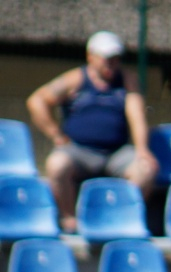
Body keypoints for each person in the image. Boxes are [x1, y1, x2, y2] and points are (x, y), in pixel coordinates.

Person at [25, 32, 158, 229]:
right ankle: (69, 219)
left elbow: (137, 117)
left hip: (116, 153)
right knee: (57, 165)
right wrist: (55, 134)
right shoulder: (75, 79)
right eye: (106, 58)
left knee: (146, 170)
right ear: (91, 57)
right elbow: (37, 101)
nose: (111, 63)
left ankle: (119, 220)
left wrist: (142, 149)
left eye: (115, 58)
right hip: (79, 151)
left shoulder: (127, 82)